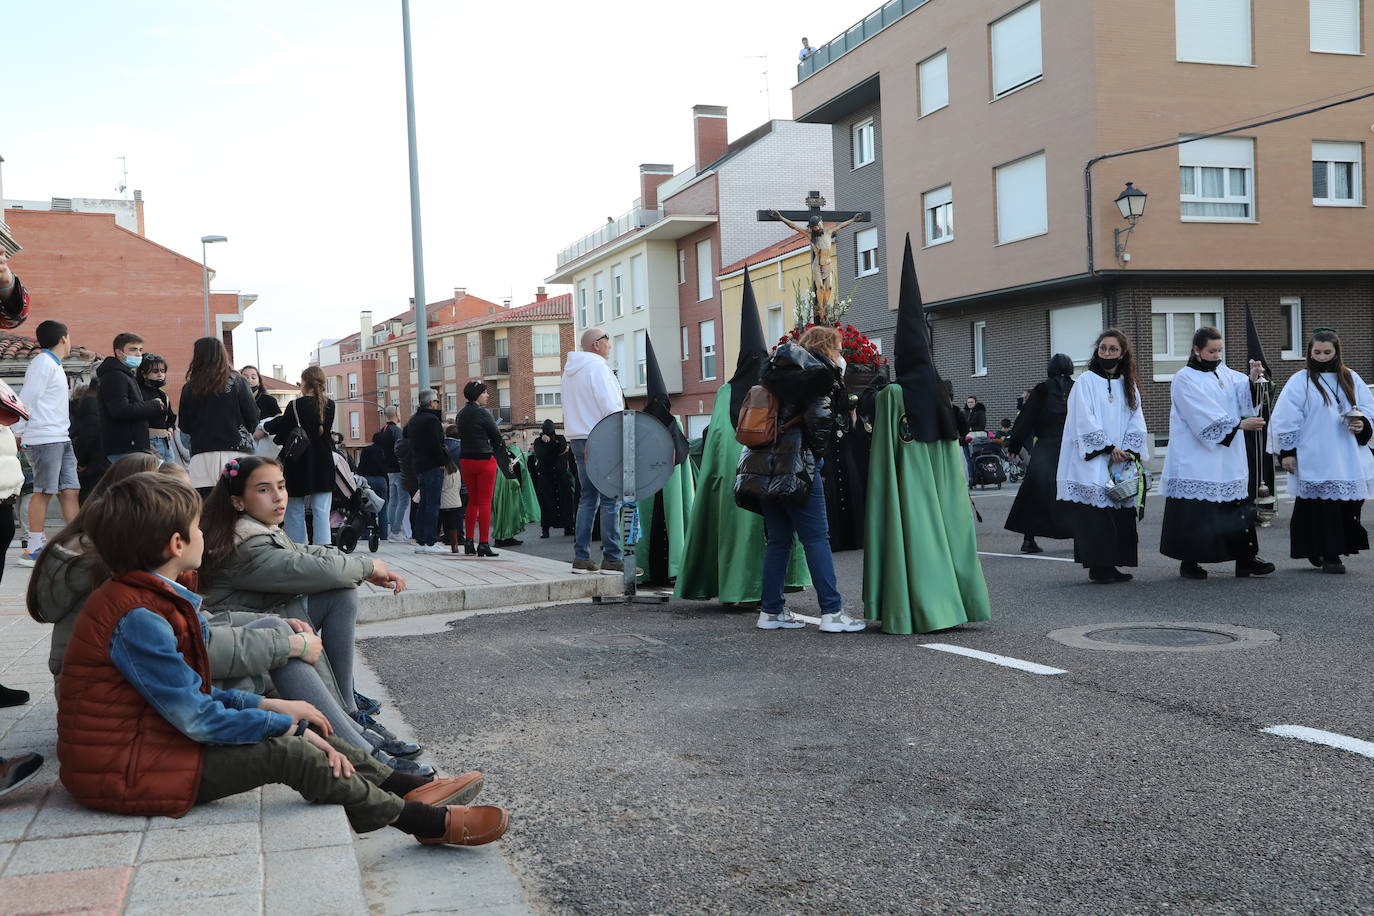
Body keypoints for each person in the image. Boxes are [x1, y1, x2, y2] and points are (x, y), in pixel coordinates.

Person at [55, 471, 507, 845]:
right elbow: (195, 718)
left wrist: (271, 707)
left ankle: (401, 785)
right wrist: (279, 722)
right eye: (196, 528)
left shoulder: (150, 597)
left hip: (147, 746)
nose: (204, 535)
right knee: (292, 751)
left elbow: (190, 690)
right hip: (127, 771)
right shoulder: (138, 615)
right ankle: (418, 822)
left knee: (301, 723)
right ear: (176, 545)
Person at [198, 456, 431, 772]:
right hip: (245, 633)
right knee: (316, 611)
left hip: (256, 620)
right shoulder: (244, 544)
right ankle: (354, 738)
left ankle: (348, 711)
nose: (279, 496)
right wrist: (368, 567)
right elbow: (311, 569)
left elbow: (308, 553)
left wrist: (362, 570)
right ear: (238, 501)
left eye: (281, 486)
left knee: (340, 592)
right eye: (264, 490)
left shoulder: (257, 530)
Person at [862, 238, 991, 633]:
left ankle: (921, 606)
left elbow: (885, 457)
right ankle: (958, 603)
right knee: (951, 534)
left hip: (911, 484)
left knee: (915, 536)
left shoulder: (894, 394)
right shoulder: (941, 391)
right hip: (946, 480)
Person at [676, 269, 809, 602]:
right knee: (776, 535)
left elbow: (717, 446)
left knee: (741, 533)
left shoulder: (725, 391)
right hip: (772, 473)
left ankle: (737, 589)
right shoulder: (776, 387)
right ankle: (770, 597)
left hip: (734, 486)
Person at [735, 328, 862, 633]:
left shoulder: (773, 374)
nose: (841, 354)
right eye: (839, 348)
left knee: (778, 541)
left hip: (762, 465)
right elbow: (820, 426)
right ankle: (832, 613)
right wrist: (816, 460)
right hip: (796, 465)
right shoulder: (818, 378)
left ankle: (771, 611)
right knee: (816, 538)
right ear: (828, 348)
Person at [1159, 327, 1275, 580]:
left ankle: (1245, 560)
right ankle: (1189, 561)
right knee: (1196, 511)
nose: (1216, 355)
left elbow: (1245, 395)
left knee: (1235, 507)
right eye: (1211, 351)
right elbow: (1199, 412)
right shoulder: (1184, 378)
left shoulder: (1224, 373)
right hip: (1196, 457)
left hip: (1228, 456)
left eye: (1219, 350)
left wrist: (1254, 378)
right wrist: (1239, 425)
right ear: (1196, 350)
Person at [1269, 328, 1374, 573]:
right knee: (1321, 509)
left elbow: (1369, 409)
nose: (1323, 357)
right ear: (1310, 352)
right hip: (1315, 454)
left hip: (1348, 455)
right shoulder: (1300, 380)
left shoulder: (1351, 378)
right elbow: (1285, 418)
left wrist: (1363, 424)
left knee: (1348, 505)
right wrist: (1287, 452)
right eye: (1317, 352)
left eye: (1328, 352)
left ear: (1337, 352)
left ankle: (1329, 549)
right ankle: (1329, 555)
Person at [1057, 328, 1149, 584]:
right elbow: (1082, 419)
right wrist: (1108, 448)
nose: (1106, 353)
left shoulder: (1128, 384)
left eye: (1112, 349)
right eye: (1103, 348)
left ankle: (1112, 564)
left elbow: (1136, 419)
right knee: (1097, 517)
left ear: (1122, 353)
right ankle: (1098, 566)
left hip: (1120, 460)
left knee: (1119, 513)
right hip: (1095, 458)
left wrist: (1128, 450)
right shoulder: (1086, 381)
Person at [562, 328, 626, 574]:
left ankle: (581, 557)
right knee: (611, 498)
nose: (610, 345)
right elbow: (611, 406)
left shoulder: (570, 371)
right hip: (600, 436)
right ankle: (612, 557)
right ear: (596, 345)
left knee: (588, 498)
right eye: (607, 340)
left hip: (577, 438)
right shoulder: (598, 367)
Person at [14, 319, 78, 565]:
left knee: (71, 491)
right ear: (64, 338)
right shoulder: (42, 363)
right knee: (44, 491)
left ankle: (77, 542)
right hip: (44, 438)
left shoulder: (54, 364)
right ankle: (33, 547)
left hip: (61, 436)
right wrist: (19, 432)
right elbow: (26, 399)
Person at [636, 337, 696, 586]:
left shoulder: (642, 423)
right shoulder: (673, 422)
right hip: (665, 485)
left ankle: (644, 567)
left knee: (651, 520)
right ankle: (672, 566)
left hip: (650, 485)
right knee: (670, 518)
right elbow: (683, 454)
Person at [1004, 354, 1075, 554]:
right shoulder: (1077, 387)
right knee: (1076, 490)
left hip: (1046, 447)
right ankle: (1081, 534)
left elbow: (1026, 419)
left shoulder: (1042, 389)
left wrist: (1014, 446)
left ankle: (1029, 538)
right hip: (1072, 448)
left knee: (1035, 493)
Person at [179, 337, 259, 495]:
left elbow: (185, 425)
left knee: (207, 507)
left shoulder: (189, 388)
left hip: (202, 456)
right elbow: (252, 417)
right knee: (237, 501)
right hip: (236, 454)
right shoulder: (238, 382)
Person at [265, 366, 335, 546]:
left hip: (299, 462)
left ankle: (298, 547)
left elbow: (284, 427)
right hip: (323, 462)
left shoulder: (295, 405)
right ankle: (323, 548)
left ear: (305, 382)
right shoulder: (330, 405)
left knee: (295, 508)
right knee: (321, 510)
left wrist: (264, 428)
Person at [455, 382, 511, 557]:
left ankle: (469, 542)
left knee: (472, 501)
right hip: (484, 459)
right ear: (477, 395)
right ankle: (484, 544)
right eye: (485, 393)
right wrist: (494, 449)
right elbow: (496, 437)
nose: (487, 395)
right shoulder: (482, 413)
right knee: (485, 502)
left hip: (465, 459)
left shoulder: (461, 414)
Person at [96, 332, 165, 464]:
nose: (138, 354)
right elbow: (120, 409)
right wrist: (152, 405)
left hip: (132, 446)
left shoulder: (125, 375)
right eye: (133, 350)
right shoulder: (115, 376)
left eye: (140, 350)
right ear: (119, 352)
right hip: (126, 447)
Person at [405, 388, 449, 554]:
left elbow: (406, 433)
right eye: (437, 401)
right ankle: (430, 541)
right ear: (431, 403)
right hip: (432, 466)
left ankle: (421, 541)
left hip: (419, 465)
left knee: (423, 504)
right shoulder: (432, 420)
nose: (437, 403)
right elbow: (437, 444)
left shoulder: (414, 419)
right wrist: (442, 462)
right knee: (432, 504)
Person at [490, 433, 537, 548]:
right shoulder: (495, 453)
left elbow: (521, 467)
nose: (505, 442)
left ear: (510, 441)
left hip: (514, 486)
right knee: (501, 512)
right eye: (503, 439)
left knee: (513, 512)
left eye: (506, 439)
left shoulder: (515, 451)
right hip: (500, 488)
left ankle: (509, 536)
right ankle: (499, 538)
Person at [529, 420, 574, 538]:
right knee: (546, 503)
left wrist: (551, 443)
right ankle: (545, 529)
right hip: (546, 477)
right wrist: (549, 445)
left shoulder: (560, 438)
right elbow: (541, 455)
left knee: (565, 502)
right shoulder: (538, 441)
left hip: (561, 476)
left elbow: (561, 448)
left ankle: (568, 526)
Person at [136, 354, 179, 465]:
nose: (160, 374)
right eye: (155, 371)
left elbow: (170, 416)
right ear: (144, 374)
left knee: (171, 474)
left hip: (166, 441)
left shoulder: (162, 394)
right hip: (149, 441)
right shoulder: (138, 392)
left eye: (163, 371)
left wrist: (170, 428)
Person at [378, 406, 408, 539]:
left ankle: (391, 529)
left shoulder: (382, 431)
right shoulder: (396, 431)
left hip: (388, 469)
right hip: (399, 469)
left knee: (393, 500)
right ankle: (396, 531)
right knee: (403, 500)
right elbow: (401, 450)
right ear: (396, 414)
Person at [357, 430, 391, 541]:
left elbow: (361, 467)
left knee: (366, 507)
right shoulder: (385, 451)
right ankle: (383, 534)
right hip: (382, 480)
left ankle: (365, 533)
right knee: (383, 508)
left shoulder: (367, 450)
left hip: (368, 480)